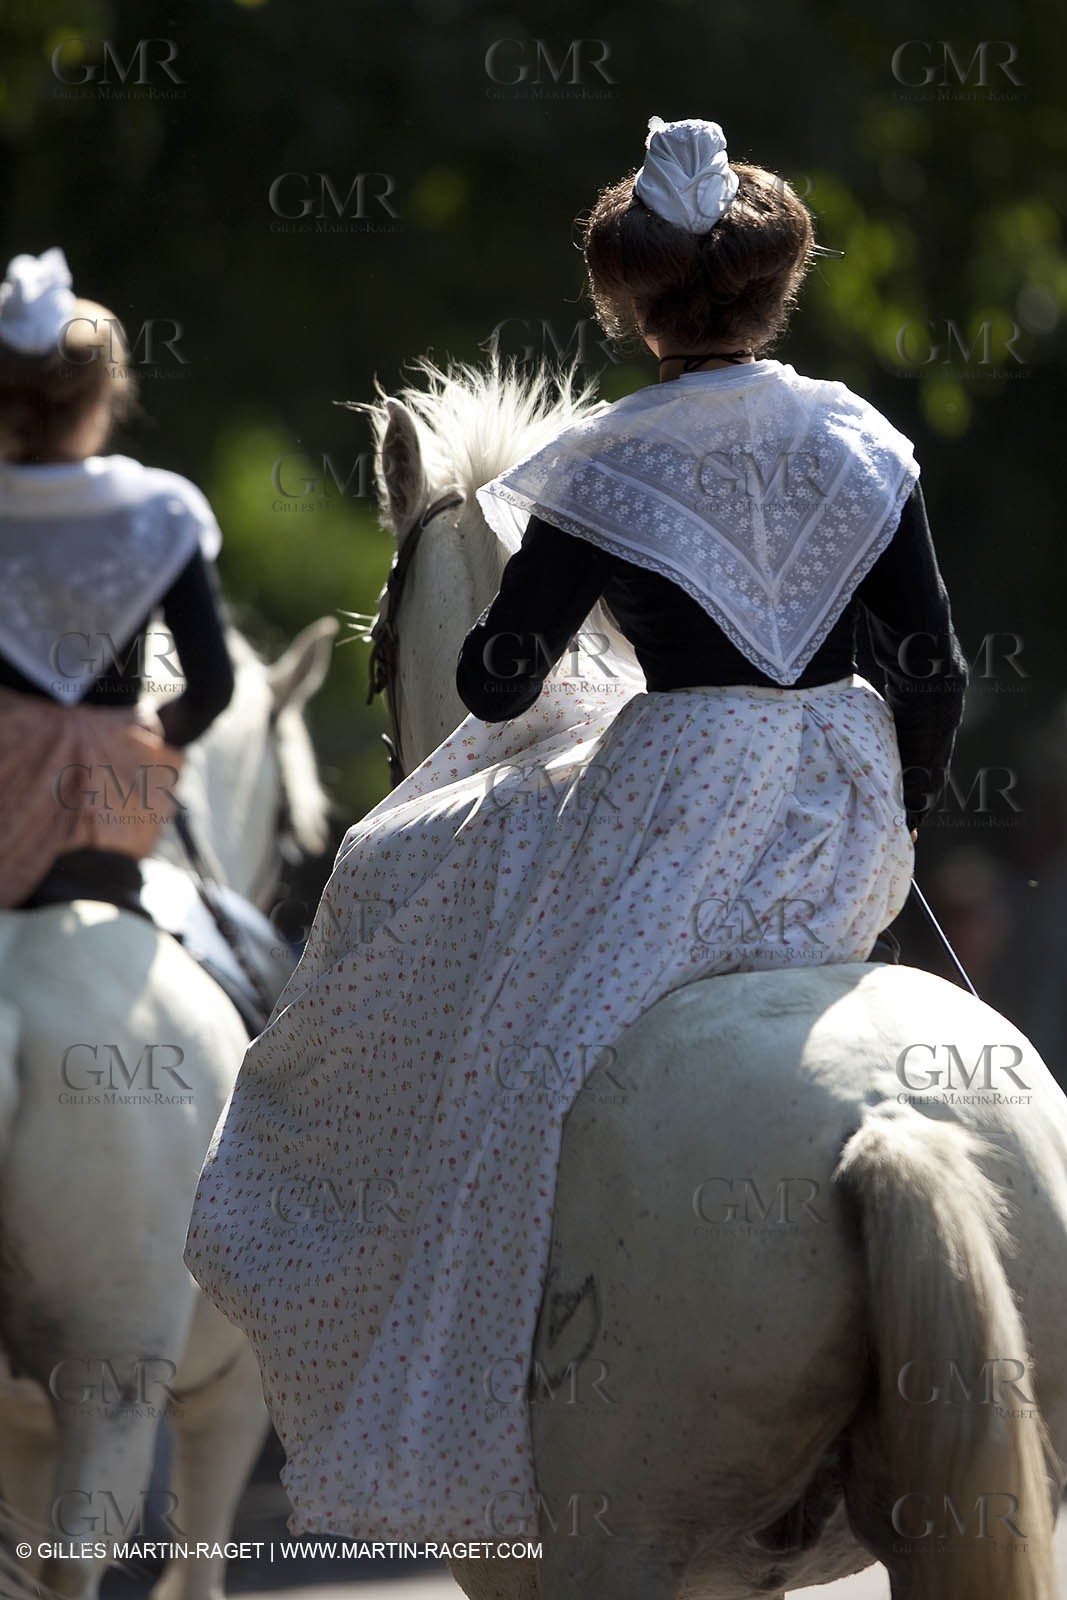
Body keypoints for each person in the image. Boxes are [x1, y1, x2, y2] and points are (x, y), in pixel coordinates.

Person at [184, 117, 967, 1541]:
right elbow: (939, 673)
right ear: (772, 286)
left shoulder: (607, 462)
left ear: (627, 297)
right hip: (843, 805)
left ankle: (489, 1378)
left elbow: (495, 680)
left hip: (669, 796)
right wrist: (889, 821)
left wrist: (525, 619)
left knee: (506, 1045)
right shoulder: (860, 439)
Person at [0, 247, 235, 915]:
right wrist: (152, 734)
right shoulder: (158, 512)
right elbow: (213, 686)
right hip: (101, 812)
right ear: (100, 398)